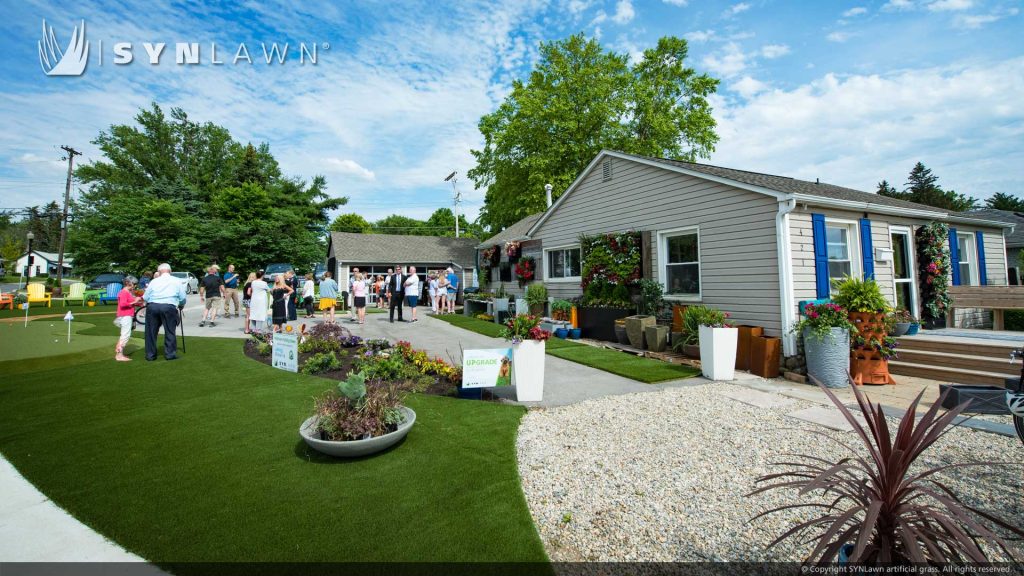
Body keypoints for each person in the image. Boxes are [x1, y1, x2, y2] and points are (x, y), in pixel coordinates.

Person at [142, 263, 187, 361]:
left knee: (150, 332)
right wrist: (181, 304)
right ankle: (170, 354)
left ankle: (150, 355)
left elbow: (145, 297)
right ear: (170, 271)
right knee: (170, 330)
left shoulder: (154, 281)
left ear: (159, 272)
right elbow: (183, 297)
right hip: (168, 306)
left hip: (153, 306)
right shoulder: (177, 281)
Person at [114, 276, 142, 361]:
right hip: (125, 315)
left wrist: (138, 303)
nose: (134, 286)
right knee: (125, 335)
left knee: (124, 334)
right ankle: (119, 355)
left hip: (127, 315)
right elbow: (123, 304)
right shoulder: (124, 292)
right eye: (134, 284)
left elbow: (129, 302)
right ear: (128, 283)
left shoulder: (128, 292)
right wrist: (135, 301)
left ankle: (119, 352)